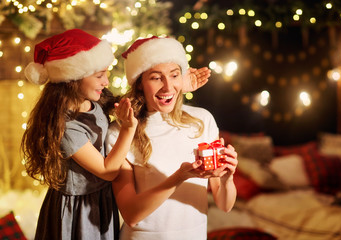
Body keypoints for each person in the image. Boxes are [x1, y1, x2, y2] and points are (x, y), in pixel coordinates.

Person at [21, 29, 211, 240]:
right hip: (79, 209)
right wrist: (129, 129)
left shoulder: (94, 101)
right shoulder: (66, 127)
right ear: (73, 79)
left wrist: (174, 85)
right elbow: (108, 171)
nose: (106, 82)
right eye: (100, 75)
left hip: (102, 199)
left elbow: (134, 101)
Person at [106, 36, 238, 240]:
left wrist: (228, 177)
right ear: (140, 83)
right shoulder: (121, 132)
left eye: (174, 75)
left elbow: (225, 205)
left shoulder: (202, 120)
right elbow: (131, 215)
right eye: (156, 78)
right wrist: (179, 177)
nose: (168, 87)